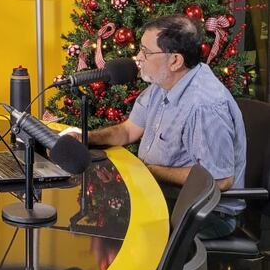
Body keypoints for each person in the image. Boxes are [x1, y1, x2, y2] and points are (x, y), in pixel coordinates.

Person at [73, 15, 246, 239]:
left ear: (175, 60)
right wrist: (86, 137)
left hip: (205, 213)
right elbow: (128, 130)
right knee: (103, 212)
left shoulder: (204, 105)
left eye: (146, 51)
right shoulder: (163, 82)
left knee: (119, 229)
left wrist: (149, 171)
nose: (138, 57)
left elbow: (220, 180)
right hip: (164, 193)